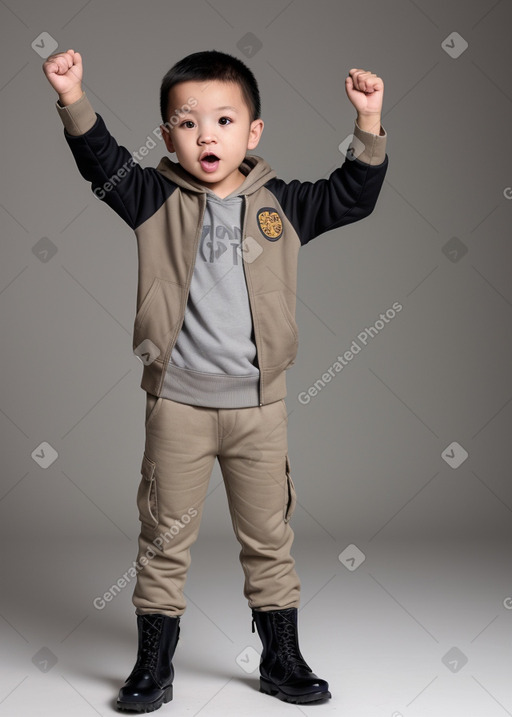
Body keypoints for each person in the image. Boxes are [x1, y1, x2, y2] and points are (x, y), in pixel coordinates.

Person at [43, 47, 388, 712]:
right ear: (167, 134)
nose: (207, 135)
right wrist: (73, 95)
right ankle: (153, 664)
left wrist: (369, 121)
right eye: (188, 122)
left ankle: (281, 657)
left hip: (261, 408)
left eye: (225, 120)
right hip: (177, 405)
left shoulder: (284, 205)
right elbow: (101, 160)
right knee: (164, 536)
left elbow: (353, 196)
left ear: (253, 133)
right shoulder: (151, 197)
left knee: (269, 536)